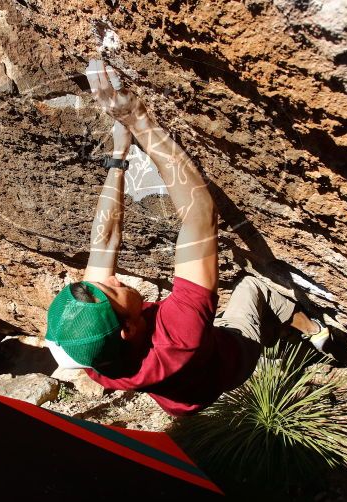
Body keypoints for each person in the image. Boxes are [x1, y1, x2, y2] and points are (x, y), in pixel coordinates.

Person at [44, 60, 329, 416]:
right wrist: (138, 120)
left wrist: (118, 157)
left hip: (179, 399)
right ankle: (315, 330)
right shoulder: (179, 336)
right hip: (230, 363)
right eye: (113, 291)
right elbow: (201, 215)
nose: (112, 279)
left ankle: (284, 329)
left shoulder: (91, 349)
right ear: (127, 329)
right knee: (255, 287)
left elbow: (104, 240)